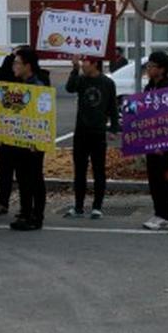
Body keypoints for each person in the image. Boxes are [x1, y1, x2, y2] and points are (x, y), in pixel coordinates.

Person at [64, 55, 119, 219]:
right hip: (81, 131)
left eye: (85, 62)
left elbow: (113, 107)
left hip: (98, 132)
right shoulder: (81, 80)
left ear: (95, 64)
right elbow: (69, 88)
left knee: (98, 170)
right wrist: (74, 69)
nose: (83, 65)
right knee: (79, 171)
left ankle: (97, 206)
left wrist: (114, 128)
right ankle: (78, 206)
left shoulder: (107, 83)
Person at [9, 46, 48, 232]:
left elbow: (44, 116)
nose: (14, 66)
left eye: (17, 63)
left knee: (35, 178)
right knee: (22, 178)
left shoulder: (38, 87)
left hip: (34, 143)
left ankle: (36, 217)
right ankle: (25, 213)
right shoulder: (17, 86)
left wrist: (38, 141)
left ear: (28, 65)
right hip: (19, 140)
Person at [143, 51, 168, 231]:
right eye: (148, 66)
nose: (148, 69)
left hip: (164, 144)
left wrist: (163, 143)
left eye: (152, 66)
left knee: (164, 179)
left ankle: (166, 216)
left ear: (162, 69)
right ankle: (158, 213)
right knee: (153, 179)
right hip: (150, 141)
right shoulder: (149, 88)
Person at [0, 49, 20, 216]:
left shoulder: (34, 79)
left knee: (22, 173)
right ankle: (3, 202)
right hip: (6, 129)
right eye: (14, 61)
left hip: (24, 131)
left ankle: (25, 206)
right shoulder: (4, 75)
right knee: (5, 170)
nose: (16, 65)